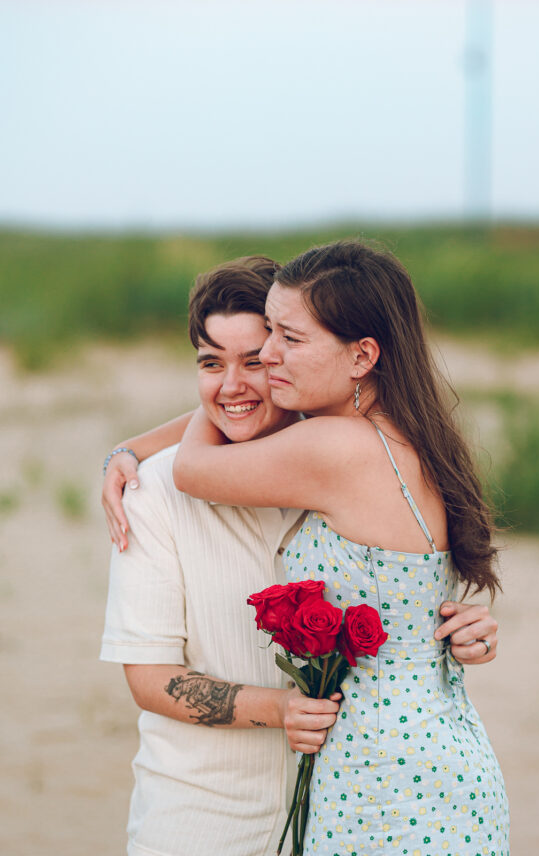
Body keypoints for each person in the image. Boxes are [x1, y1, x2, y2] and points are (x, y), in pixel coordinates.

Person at [101, 252, 499, 856]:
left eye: (274, 348)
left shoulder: (329, 449)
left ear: (362, 356)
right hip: (425, 759)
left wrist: (130, 446)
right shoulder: (400, 432)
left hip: (389, 780)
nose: (263, 367)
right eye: (212, 361)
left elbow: (194, 467)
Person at [100, 256, 342, 856]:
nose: (230, 385)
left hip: (337, 816)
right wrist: (280, 707)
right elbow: (152, 678)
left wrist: (457, 626)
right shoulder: (151, 494)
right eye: (212, 363)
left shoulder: (338, 474)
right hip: (196, 823)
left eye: (255, 362)